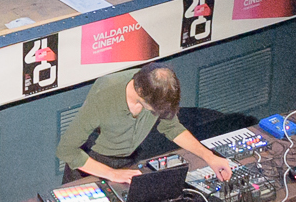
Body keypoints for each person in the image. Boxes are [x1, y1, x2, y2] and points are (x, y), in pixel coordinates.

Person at [56, 62, 235, 185]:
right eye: (153, 109)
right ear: (140, 91)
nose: (156, 113)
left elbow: (172, 127)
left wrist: (209, 156)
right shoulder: (105, 94)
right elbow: (66, 150)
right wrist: (112, 173)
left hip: (128, 162)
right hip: (90, 166)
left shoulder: (156, 89)